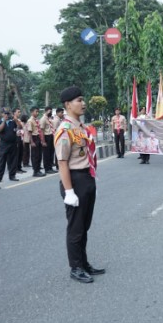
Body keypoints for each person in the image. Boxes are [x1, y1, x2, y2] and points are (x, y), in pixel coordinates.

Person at [54, 86, 103, 284]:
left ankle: (84, 263)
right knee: (76, 228)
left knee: (85, 226)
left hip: (87, 178)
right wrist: (69, 191)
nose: (83, 103)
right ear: (67, 104)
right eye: (79, 100)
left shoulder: (80, 128)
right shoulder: (65, 130)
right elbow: (62, 162)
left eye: (83, 99)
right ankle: (75, 267)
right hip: (74, 180)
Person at [0, 110, 20, 182]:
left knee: (12, 161)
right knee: (1, 161)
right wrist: (4, 121)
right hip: (4, 144)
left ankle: (12, 176)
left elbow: (20, 127)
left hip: (13, 143)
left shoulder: (13, 122)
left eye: (8, 114)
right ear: (2, 114)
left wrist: (16, 120)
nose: (6, 115)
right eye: (5, 114)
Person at [27, 106, 45, 177]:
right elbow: (29, 132)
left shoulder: (37, 120)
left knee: (39, 155)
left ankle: (38, 169)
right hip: (34, 138)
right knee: (35, 156)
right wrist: (31, 142)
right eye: (36, 111)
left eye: (38, 111)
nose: (37, 113)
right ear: (32, 112)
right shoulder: (30, 120)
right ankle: (35, 171)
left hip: (38, 138)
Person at [39, 106, 57, 174]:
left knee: (51, 153)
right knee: (46, 154)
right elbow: (41, 131)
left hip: (51, 136)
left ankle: (50, 167)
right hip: (46, 137)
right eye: (50, 111)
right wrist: (43, 141)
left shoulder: (48, 119)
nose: (51, 112)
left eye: (51, 111)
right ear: (46, 111)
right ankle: (47, 168)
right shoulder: (43, 119)